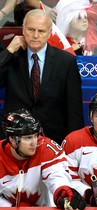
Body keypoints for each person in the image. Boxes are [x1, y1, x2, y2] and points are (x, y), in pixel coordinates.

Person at [0, 9, 84, 144]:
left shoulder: (66, 61)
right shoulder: (11, 57)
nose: (35, 35)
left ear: (50, 33)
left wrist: (73, 144)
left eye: (41, 31)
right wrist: (9, 51)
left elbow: (74, 109)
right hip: (14, 138)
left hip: (52, 138)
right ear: (23, 29)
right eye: (31, 30)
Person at [0, 108, 86, 210]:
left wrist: (62, 191)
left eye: (35, 136)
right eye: (28, 138)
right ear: (12, 140)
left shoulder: (46, 147)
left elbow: (57, 175)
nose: (34, 142)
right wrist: (12, 208)